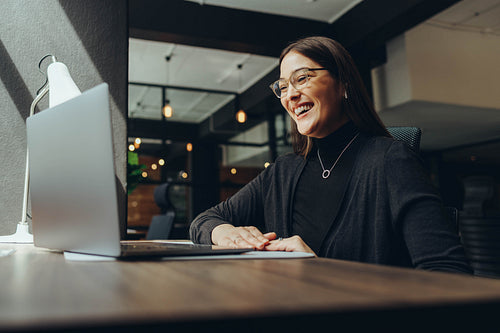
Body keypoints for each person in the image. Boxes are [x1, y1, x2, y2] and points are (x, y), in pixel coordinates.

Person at [190, 36, 472, 273]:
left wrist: (318, 269)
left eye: (302, 78)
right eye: (284, 87)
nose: (290, 95)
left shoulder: (391, 161)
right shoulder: (282, 171)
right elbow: (203, 221)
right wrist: (225, 233)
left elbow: (448, 274)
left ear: (344, 84)